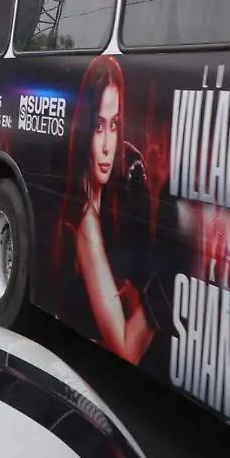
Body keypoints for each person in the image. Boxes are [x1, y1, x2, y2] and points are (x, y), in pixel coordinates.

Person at [55, 55, 153, 365]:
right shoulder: (81, 210)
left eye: (114, 125)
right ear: (84, 128)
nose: (109, 144)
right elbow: (126, 349)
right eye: (98, 126)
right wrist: (167, 295)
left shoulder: (124, 183)